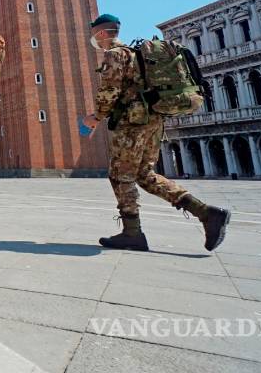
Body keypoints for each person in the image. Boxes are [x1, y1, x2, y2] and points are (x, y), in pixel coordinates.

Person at [82, 14, 230, 251]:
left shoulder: (115, 54)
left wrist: (95, 117)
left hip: (133, 123)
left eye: (94, 35)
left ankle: (132, 233)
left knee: (121, 175)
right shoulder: (136, 53)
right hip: (154, 121)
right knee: (144, 175)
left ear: (100, 33)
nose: (94, 40)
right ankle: (206, 213)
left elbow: (109, 92)